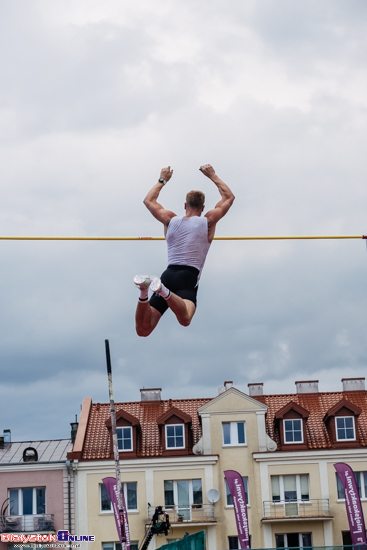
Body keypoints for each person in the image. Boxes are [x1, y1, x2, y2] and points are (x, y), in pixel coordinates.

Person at [134, 164, 235, 337]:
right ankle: (163, 291)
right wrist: (212, 175)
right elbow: (229, 197)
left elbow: (148, 201)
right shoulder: (208, 221)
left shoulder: (170, 220)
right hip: (188, 278)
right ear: (203, 207)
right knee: (185, 319)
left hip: (168, 275)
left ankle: (144, 290)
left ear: (184, 205)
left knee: (144, 330)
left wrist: (162, 180)